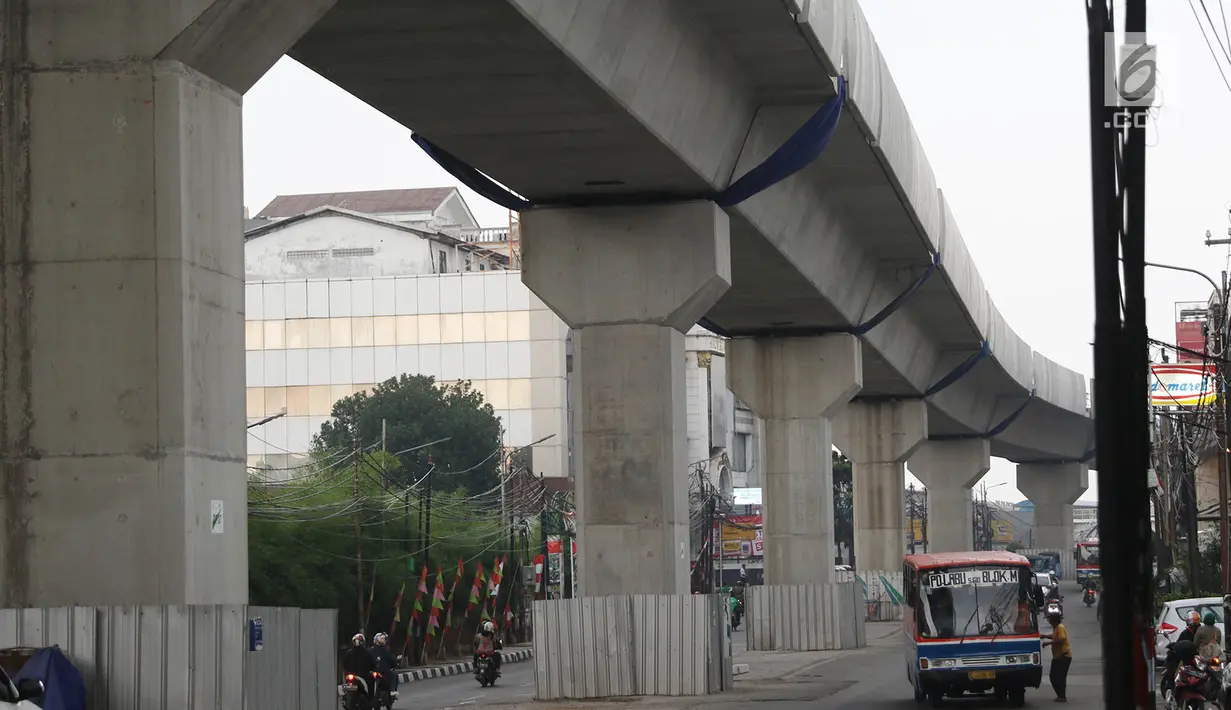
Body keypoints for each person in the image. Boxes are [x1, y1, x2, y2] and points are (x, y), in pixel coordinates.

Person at [1041, 611, 1072, 702]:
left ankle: (1062, 696)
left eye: (1050, 619)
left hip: (1064, 656)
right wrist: (1045, 636)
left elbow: (1061, 639)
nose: (1049, 620)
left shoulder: (1060, 627)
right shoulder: (1056, 628)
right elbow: (1055, 636)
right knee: (1053, 676)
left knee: (1059, 677)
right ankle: (1060, 695)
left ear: (1054, 620)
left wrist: (1048, 643)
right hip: (1058, 656)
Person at [342, 632, 376, 699]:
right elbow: (373, 664)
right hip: (363, 675)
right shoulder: (367, 653)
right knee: (371, 682)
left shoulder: (348, 653)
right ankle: (370, 699)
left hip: (351, 675)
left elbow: (344, 664)